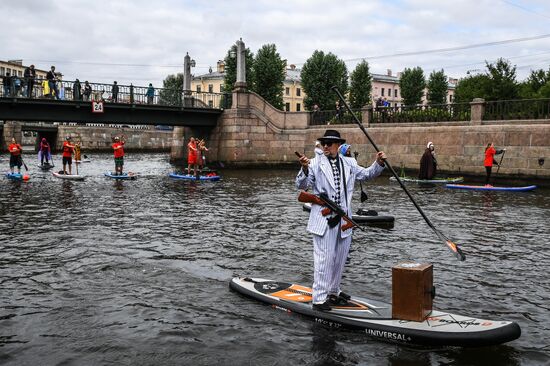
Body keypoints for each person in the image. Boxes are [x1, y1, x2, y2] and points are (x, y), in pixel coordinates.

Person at [296, 129, 386, 311]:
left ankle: (333, 291)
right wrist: (304, 168)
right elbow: (301, 185)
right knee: (325, 259)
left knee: (340, 258)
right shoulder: (314, 163)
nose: (326, 146)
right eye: (324, 143)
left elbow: (367, 174)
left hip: (344, 219)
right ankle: (319, 299)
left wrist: (379, 162)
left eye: (330, 143)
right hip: (324, 218)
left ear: (338, 145)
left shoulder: (349, 163)